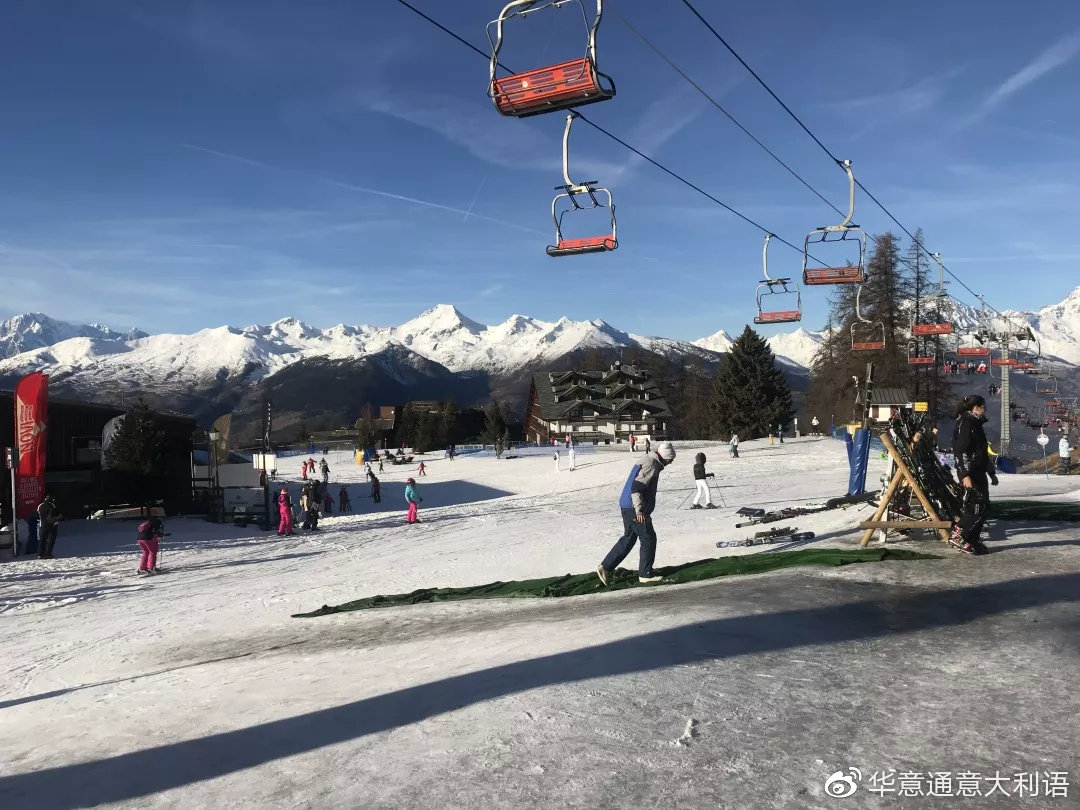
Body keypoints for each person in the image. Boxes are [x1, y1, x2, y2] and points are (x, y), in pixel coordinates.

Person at [596, 441, 677, 585]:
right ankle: (645, 574)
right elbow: (636, 487)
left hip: (627, 505)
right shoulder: (651, 464)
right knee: (648, 538)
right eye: (670, 459)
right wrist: (639, 511)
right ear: (665, 457)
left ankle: (605, 567)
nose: (670, 463)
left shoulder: (647, 459)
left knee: (629, 538)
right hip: (635, 508)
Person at [949, 394, 997, 555]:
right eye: (982, 407)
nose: (984, 410)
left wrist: (991, 472)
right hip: (970, 471)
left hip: (979, 469)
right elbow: (961, 451)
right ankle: (960, 535)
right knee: (976, 504)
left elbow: (981, 451)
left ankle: (972, 538)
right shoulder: (966, 423)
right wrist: (965, 475)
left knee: (983, 504)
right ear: (974, 408)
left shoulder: (976, 424)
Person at [36, 494, 61, 559]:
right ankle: (48, 553)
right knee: (51, 539)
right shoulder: (52, 506)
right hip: (52, 525)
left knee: (42, 540)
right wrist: (58, 518)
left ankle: (40, 554)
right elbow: (52, 516)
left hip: (42, 524)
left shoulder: (40, 505)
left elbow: (37, 515)